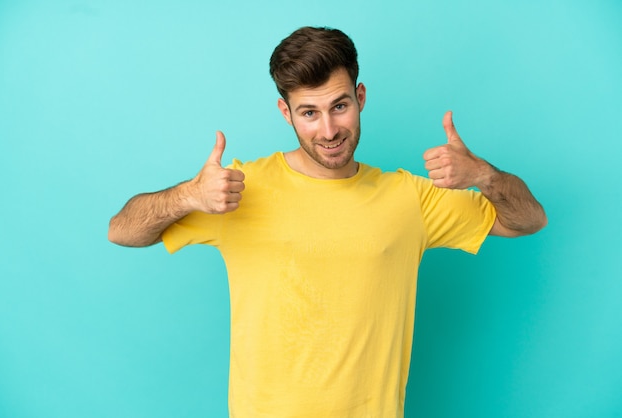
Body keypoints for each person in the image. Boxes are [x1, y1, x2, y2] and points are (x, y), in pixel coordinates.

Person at [108, 26, 546, 418]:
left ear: (361, 97)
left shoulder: (409, 198)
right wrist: (188, 195)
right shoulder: (238, 189)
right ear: (286, 112)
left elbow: (528, 220)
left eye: (340, 106)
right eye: (309, 112)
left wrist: (484, 176)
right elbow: (122, 231)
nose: (329, 129)